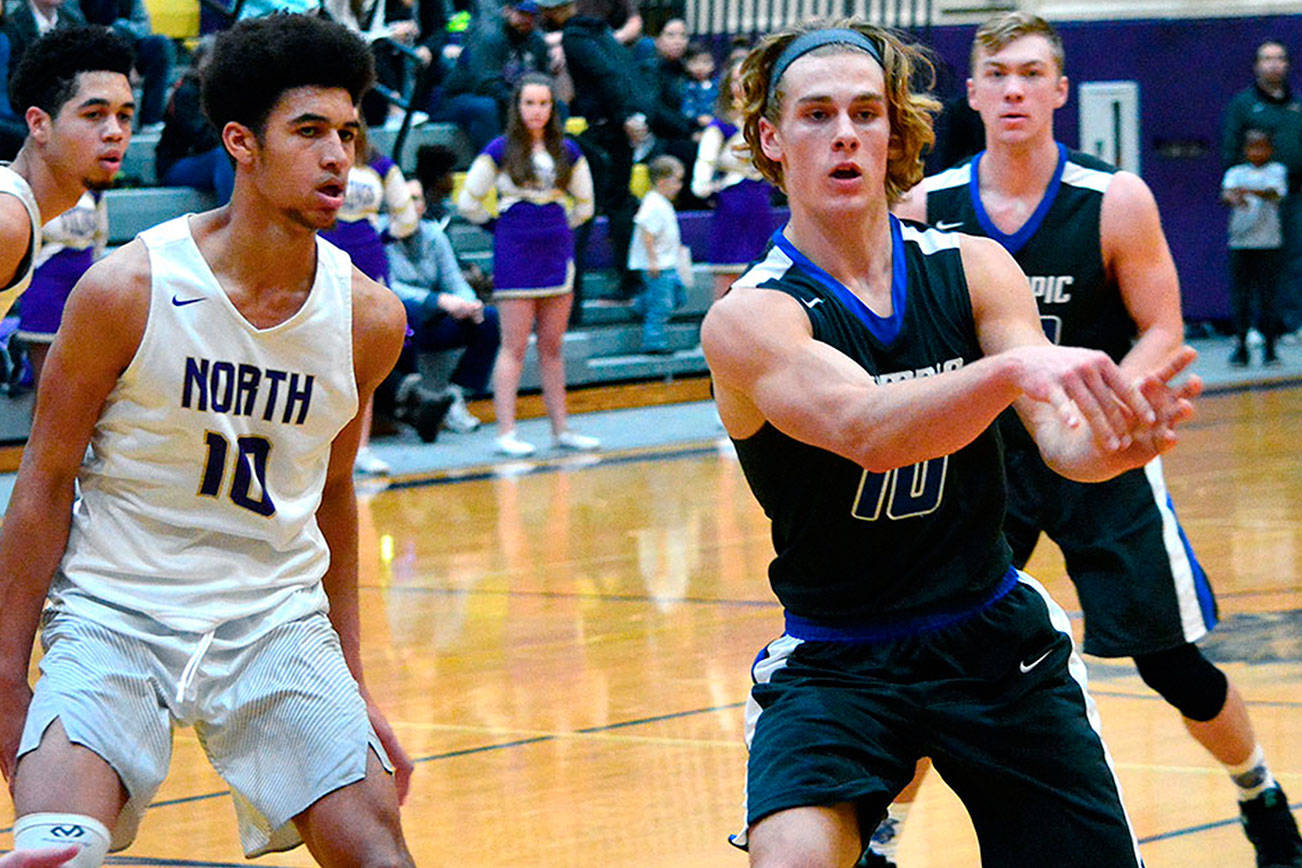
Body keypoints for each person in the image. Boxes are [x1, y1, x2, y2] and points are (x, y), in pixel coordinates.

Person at [701, 20, 1203, 868]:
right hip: (837, 656)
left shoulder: (974, 267)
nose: (845, 134)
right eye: (816, 115)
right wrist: (1011, 371)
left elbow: (1060, 441)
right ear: (771, 139)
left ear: (893, 132)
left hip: (990, 637)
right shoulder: (752, 317)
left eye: (866, 112)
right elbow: (869, 432)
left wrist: (1116, 445)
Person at [883, 13, 1302, 868]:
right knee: (934, 654)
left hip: (1098, 456)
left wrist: (1108, 401)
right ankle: (882, 833)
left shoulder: (1115, 198)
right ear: (970, 92)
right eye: (996, 73)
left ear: (1060, 91)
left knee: (1171, 664)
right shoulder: (930, 208)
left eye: (1032, 73)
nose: (1013, 89)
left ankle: (1260, 793)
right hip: (985, 466)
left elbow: (1163, 329)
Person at [0, 14, 417, 868]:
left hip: (275, 622)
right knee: (56, 848)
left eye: (348, 132)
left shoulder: (371, 319)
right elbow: (42, 481)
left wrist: (353, 680)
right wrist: (6, 677)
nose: (338, 156)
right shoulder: (125, 290)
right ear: (242, 143)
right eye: (309, 132)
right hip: (114, 613)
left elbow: (334, 497)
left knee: (379, 854)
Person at [457, 72, 599, 457]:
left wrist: (555, 226)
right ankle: (506, 432)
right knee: (513, 347)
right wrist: (500, 227)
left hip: (556, 252)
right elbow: (468, 202)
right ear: (516, 108)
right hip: (515, 253)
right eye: (529, 103)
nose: (536, 111)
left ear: (553, 108)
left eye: (543, 103)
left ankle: (561, 429)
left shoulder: (568, 150)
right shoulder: (499, 149)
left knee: (552, 347)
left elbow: (586, 206)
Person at [0, 25, 133, 322]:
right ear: (39, 124)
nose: (115, 132)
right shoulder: (8, 221)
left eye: (124, 117)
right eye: (93, 115)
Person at [539, 0, 648, 302]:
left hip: (608, 127)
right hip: (618, 124)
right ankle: (629, 280)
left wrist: (624, 115)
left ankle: (614, 284)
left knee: (600, 205)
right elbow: (623, 72)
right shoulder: (600, 32)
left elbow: (606, 75)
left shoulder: (575, 37)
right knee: (619, 202)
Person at [387, 177, 501, 433]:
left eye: (415, 199)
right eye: (403, 199)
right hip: (403, 327)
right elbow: (388, 286)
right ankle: (414, 399)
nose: (410, 205)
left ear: (423, 206)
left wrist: (470, 304)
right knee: (407, 312)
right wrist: (437, 300)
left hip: (433, 321)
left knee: (489, 319)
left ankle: (455, 395)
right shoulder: (380, 235)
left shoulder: (434, 236)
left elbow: (454, 280)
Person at [1222, 40, 1302, 341]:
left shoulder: (1297, 104)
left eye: (1279, 58)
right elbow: (1231, 147)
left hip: (1292, 193)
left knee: (1293, 257)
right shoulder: (1243, 105)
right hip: (1254, 195)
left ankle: (1290, 323)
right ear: (1257, 65)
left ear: (1288, 64)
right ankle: (1255, 326)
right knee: (1254, 260)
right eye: (1267, 59)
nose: (1273, 64)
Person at [691, 59, 773, 299]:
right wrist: (704, 186)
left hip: (760, 202)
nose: (744, 86)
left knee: (763, 272)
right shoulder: (721, 126)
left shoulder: (766, 123)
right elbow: (704, 164)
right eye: (737, 80)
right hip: (731, 203)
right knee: (728, 273)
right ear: (728, 86)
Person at [14, 189, 107, 394]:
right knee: (47, 384)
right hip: (46, 278)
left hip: (83, 278)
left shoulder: (95, 190)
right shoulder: (33, 186)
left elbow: (101, 236)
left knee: (83, 381)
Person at [435, 0, 549, 152]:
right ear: (507, 11)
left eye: (532, 15)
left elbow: (544, 79)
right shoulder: (489, 36)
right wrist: (522, 101)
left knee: (555, 106)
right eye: (522, 14)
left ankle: (551, 159)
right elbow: (486, 84)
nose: (527, 20)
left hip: (509, 97)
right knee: (486, 107)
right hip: (458, 98)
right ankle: (493, 162)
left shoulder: (536, 42)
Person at [1223, 128, 1287, 367]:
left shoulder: (1276, 171)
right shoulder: (1235, 173)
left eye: (1261, 147)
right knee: (1241, 298)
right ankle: (1241, 348)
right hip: (1240, 244)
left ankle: (1270, 350)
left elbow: (1275, 194)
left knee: (1268, 298)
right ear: (1244, 150)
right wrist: (1232, 197)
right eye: (1252, 147)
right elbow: (1227, 194)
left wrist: (1248, 191)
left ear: (1270, 149)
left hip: (1268, 244)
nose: (1256, 152)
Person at [70, 0, 173, 131]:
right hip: (89, 50)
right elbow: (73, 27)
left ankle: (151, 119)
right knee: (99, 48)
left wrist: (116, 31)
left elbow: (143, 27)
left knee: (160, 45)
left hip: (127, 46)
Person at [155, 36, 234, 203]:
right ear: (199, 61)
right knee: (224, 155)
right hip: (177, 164)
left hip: (205, 160)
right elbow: (201, 139)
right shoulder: (187, 92)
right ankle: (237, 218)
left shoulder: (222, 91)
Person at [629, 153, 685, 353]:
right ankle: (654, 342)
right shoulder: (652, 204)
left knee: (678, 296)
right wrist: (652, 260)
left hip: (668, 263)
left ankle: (640, 305)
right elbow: (647, 234)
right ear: (662, 181)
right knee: (662, 305)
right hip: (659, 265)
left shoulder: (662, 202)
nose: (679, 186)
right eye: (677, 181)